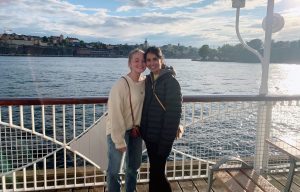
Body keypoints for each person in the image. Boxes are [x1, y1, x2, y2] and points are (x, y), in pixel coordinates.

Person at [140, 46, 182, 192]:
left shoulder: (171, 82)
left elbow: (174, 115)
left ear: (161, 59)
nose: (152, 63)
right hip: (150, 135)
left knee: (157, 173)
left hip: (162, 138)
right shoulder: (148, 80)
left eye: (155, 59)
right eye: (148, 60)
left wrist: (166, 141)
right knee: (155, 172)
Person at [106, 48, 146, 192]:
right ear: (129, 63)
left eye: (143, 60)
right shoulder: (120, 85)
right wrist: (119, 140)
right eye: (136, 60)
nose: (140, 63)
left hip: (136, 132)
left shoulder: (146, 82)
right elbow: (114, 113)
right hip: (119, 132)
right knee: (114, 171)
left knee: (133, 168)